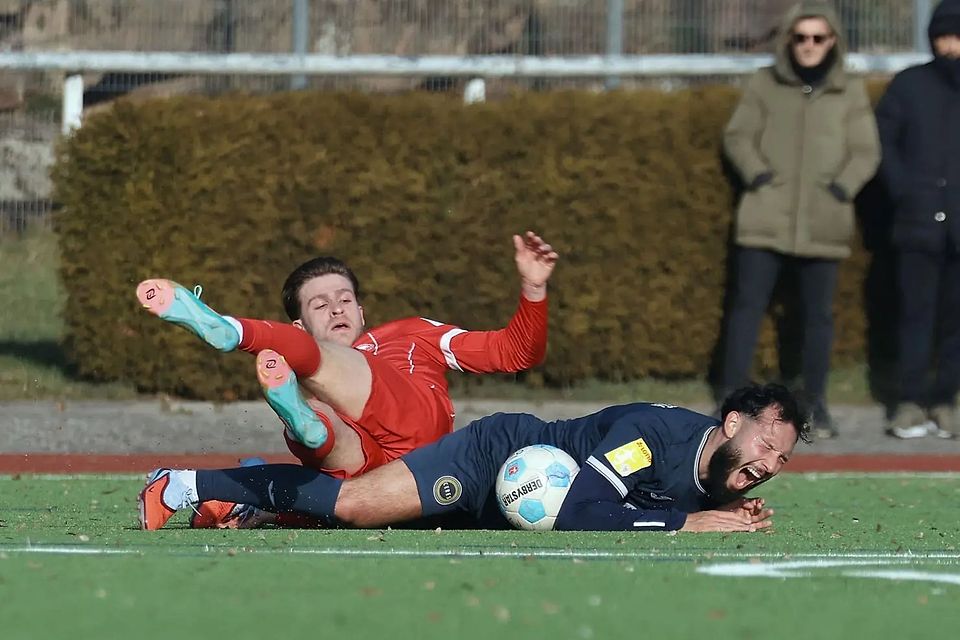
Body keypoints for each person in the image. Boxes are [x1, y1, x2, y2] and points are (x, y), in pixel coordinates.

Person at [137, 231, 558, 527]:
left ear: (361, 312)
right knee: (320, 419)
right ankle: (304, 423)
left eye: (345, 299)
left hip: (420, 444)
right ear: (299, 328)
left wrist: (533, 289)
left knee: (325, 388)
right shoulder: (305, 373)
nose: (337, 309)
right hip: (362, 478)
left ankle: (236, 332)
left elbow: (516, 353)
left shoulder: (410, 333)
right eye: (320, 305)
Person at [139, 382, 810, 533]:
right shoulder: (652, 436)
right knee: (356, 505)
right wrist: (685, 523)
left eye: (781, 460)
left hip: (515, 506)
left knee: (383, 520)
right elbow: (582, 509)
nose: (769, 463)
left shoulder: (720, 466)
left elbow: (672, 496)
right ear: (731, 423)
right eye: (765, 444)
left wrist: (731, 506)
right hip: (498, 459)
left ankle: (247, 498)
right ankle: (185, 482)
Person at [719, 1, 880, 439]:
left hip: (824, 220)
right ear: (789, 40)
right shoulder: (764, 83)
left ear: (832, 42)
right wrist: (758, 176)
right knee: (746, 308)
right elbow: (738, 136)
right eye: (801, 37)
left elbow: (866, 151)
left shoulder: (849, 90)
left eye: (818, 38)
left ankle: (814, 404)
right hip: (765, 215)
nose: (809, 46)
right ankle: (730, 401)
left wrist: (841, 188)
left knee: (817, 317)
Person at [876, 0, 960, 440]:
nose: (952, 46)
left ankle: (945, 401)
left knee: (955, 323)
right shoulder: (909, 85)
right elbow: (884, 143)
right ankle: (908, 402)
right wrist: (905, 191)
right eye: (944, 36)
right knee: (914, 317)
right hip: (917, 225)